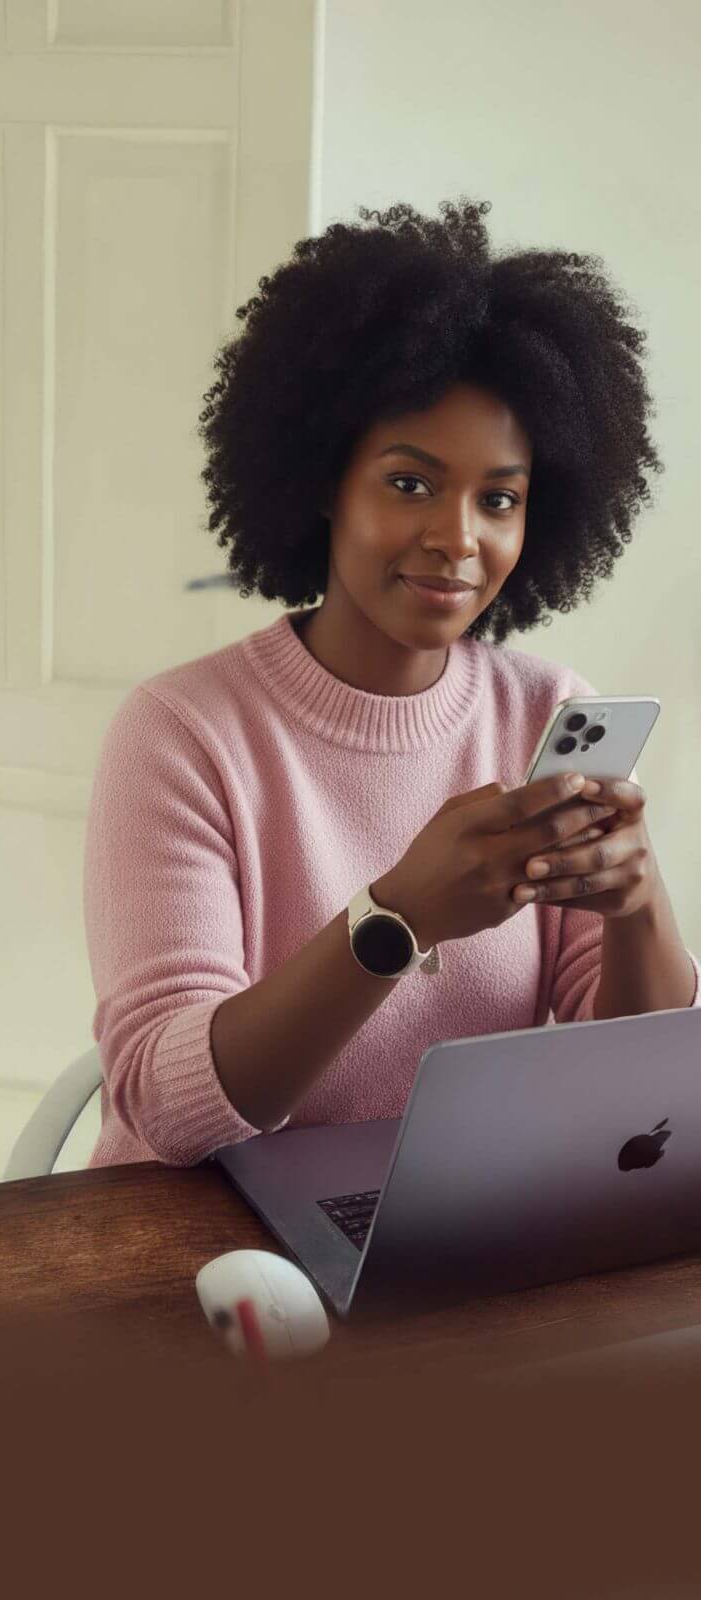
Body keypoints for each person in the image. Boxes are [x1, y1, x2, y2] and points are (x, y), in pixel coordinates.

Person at [83, 196, 700, 1170]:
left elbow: (628, 1097)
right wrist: (397, 917)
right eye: (410, 482)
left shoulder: (547, 712)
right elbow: (167, 1106)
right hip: (197, 1248)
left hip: (444, 1232)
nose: (459, 538)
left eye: (499, 498)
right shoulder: (183, 734)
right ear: (326, 479)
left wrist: (637, 903)